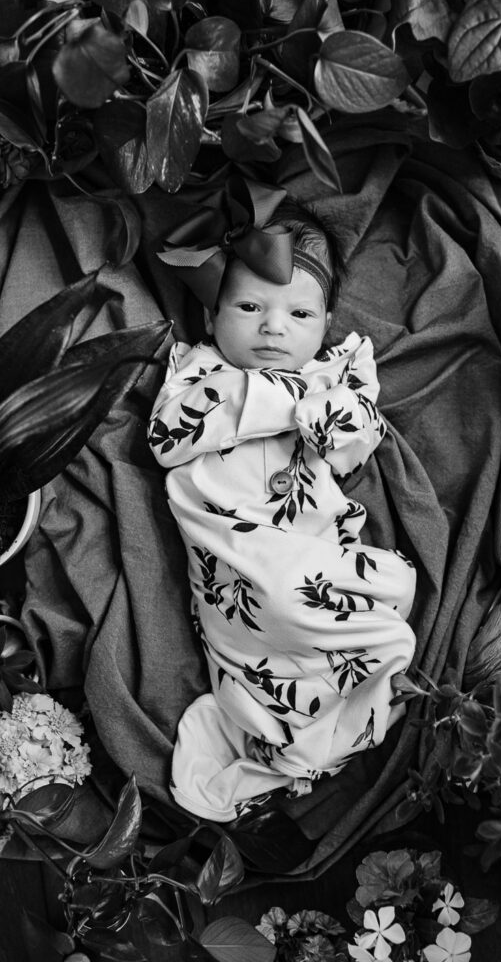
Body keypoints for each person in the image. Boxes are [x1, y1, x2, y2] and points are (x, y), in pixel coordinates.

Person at [148, 177, 416, 822]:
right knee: (279, 600)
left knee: (388, 588)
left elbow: (354, 447)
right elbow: (166, 438)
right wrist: (288, 399)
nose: (273, 328)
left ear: (325, 325)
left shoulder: (333, 376)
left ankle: (309, 727)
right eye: (249, 308)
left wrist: (333, 408)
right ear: (212, 317)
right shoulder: (200, 371)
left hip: (307, 542)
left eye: (299, 315)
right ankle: (297, 729)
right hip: (234, 550)